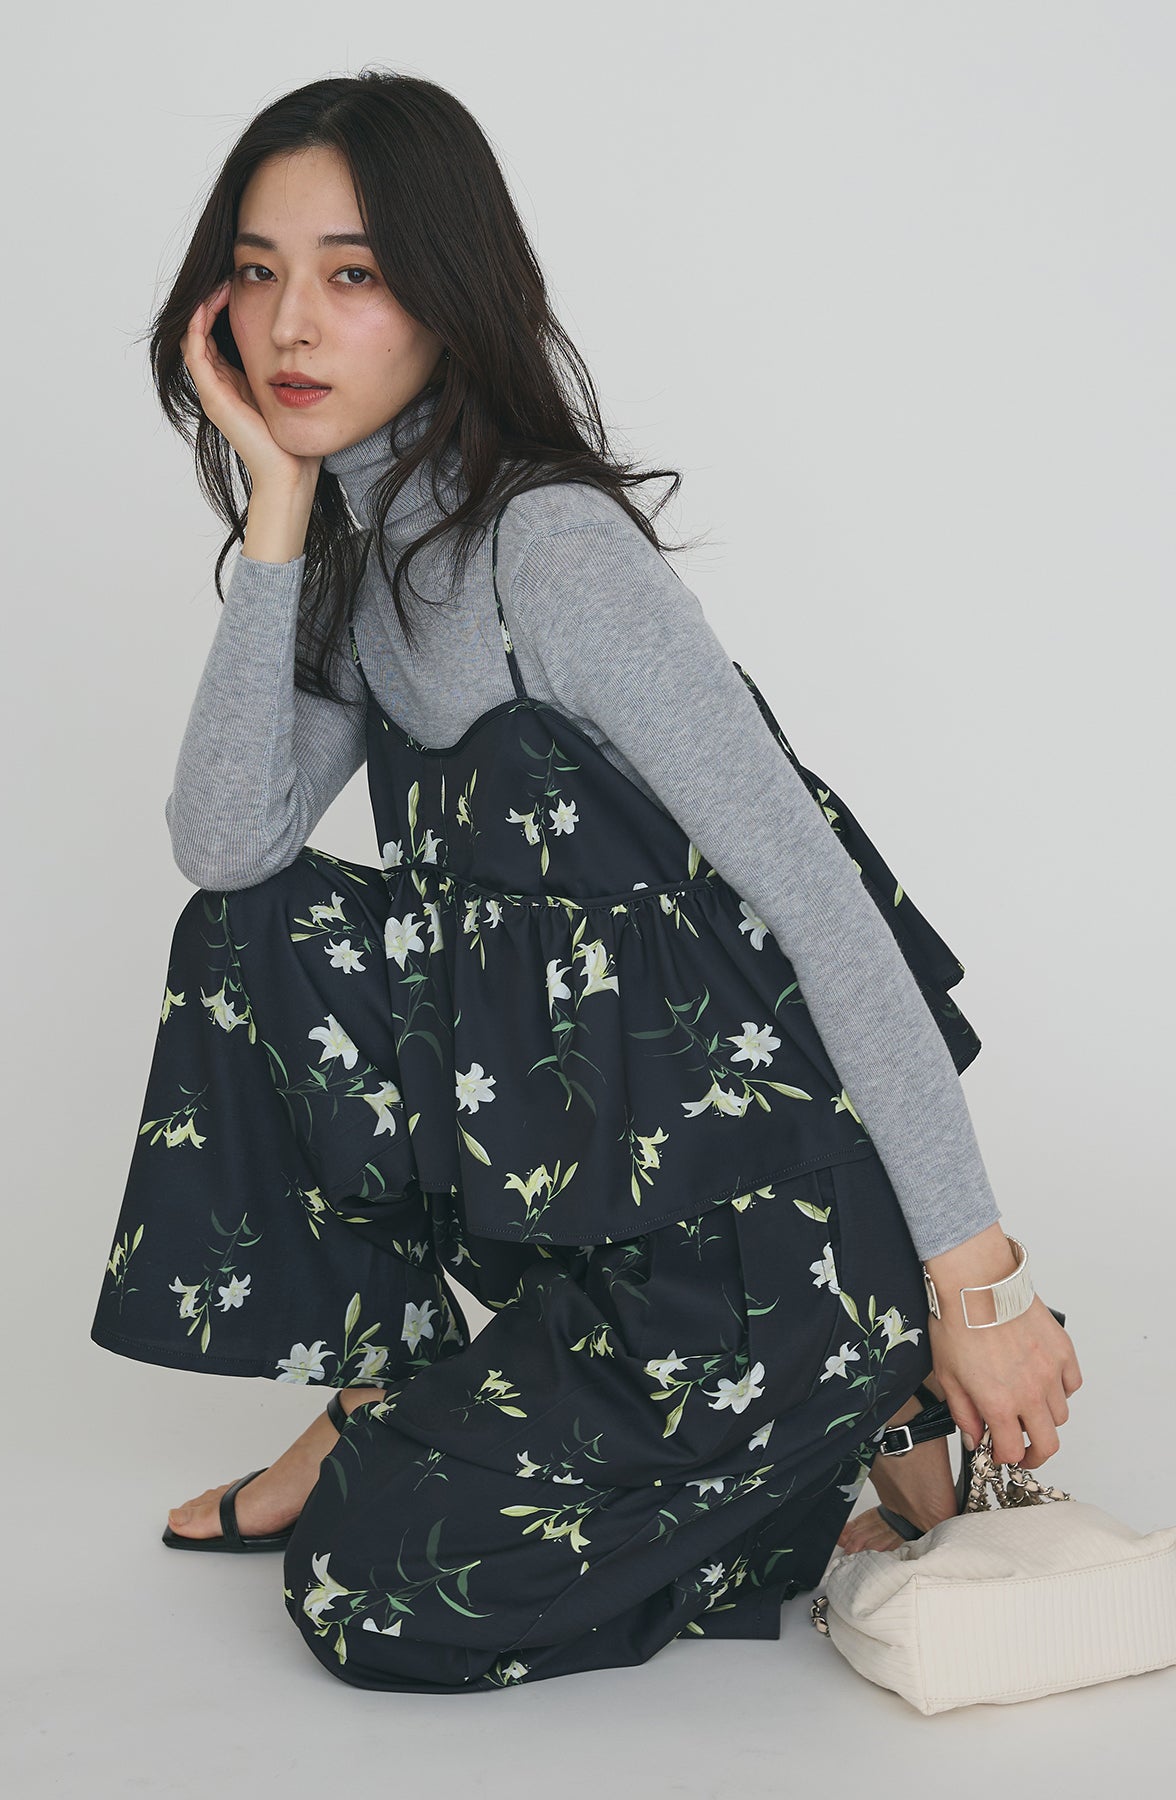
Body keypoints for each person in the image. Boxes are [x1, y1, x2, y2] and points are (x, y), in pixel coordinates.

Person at [89, 70, 1080, 1692]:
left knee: (369, 1594)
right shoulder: (356, 558)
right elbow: (227, 847)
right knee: (250, 931)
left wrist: (980, 1285)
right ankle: (391, 1388)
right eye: (256, 272)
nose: (291, 323)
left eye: (353, 272)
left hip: (761, 1234)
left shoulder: (548, 552)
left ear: (449, 292)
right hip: (601, 1211)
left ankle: (860, 1391)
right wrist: (277, 512)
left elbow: (815, 899)